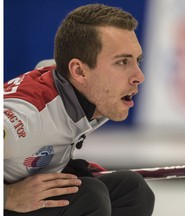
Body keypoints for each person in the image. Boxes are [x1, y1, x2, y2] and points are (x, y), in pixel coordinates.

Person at [4, 3, 155, 216]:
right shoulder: (23, 119)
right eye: (122, 62)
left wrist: (62, 162)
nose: (139, 76)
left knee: (131, 189)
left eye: (137, 61)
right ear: (79, 71)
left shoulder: (76, 85)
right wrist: (9, 196)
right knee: (90, 197)